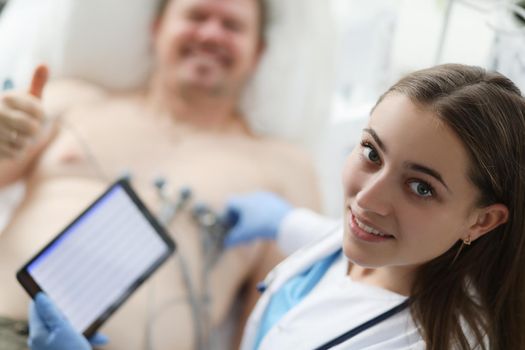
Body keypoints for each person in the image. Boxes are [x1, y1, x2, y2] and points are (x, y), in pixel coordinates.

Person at [28, 63, 525, 349]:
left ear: (482, 220)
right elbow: (329, 239)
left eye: (421, 188)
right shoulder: (383, 248)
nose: (366, 199)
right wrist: (280, 220)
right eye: (372, 152)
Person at [0, 0, 321, 349]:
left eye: (232, 26)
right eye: (196, 16)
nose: (212, 33)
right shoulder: (71, 103)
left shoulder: (285, 169)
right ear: (156, 29)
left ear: (258, 52)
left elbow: (280, 329)